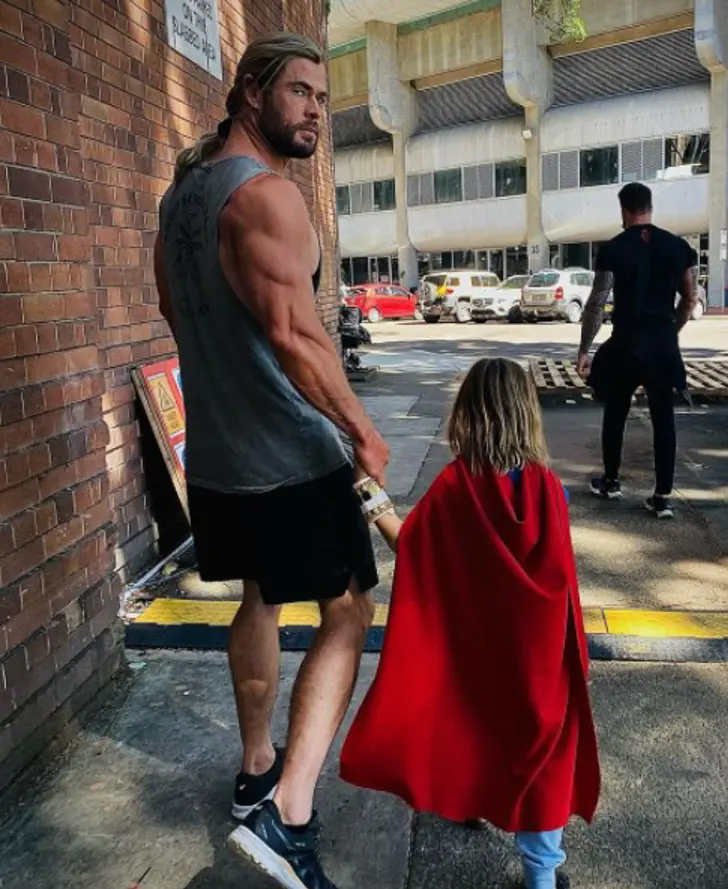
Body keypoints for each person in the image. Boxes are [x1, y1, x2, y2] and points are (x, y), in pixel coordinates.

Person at [154, 33, 390, 889]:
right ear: (251, 92)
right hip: (290, 455)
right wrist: (361, 430)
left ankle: (257, 764)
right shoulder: (265, 196)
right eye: (300, 92)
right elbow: (295, 334)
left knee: (259, 595)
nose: (316, 111)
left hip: (218, 458)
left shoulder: (179, 200)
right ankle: (287, 815)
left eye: (323, 98)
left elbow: (176, 314)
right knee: (348, 610)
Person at [340, 358, 601, 889]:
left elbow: (413, 548)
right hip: (540, 657)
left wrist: (369, 494)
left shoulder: (455, 488)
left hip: (476, 651)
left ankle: (473, 800)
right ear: (528, 414)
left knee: (475, 729)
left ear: (467, 413)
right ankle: (541, 878)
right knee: (545, 758)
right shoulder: (551, 491)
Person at [576, 183, 697, 520]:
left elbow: (597, 301)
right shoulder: (678, 248)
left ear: (623, 211)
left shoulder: (613, 249)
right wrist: (670, 332)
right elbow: (689, 299)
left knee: (616, 411)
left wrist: (584, 349)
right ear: (650, 208)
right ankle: (662, 498)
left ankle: (611, 481)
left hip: (626, 343)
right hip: (662, 345)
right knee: (663, 417)